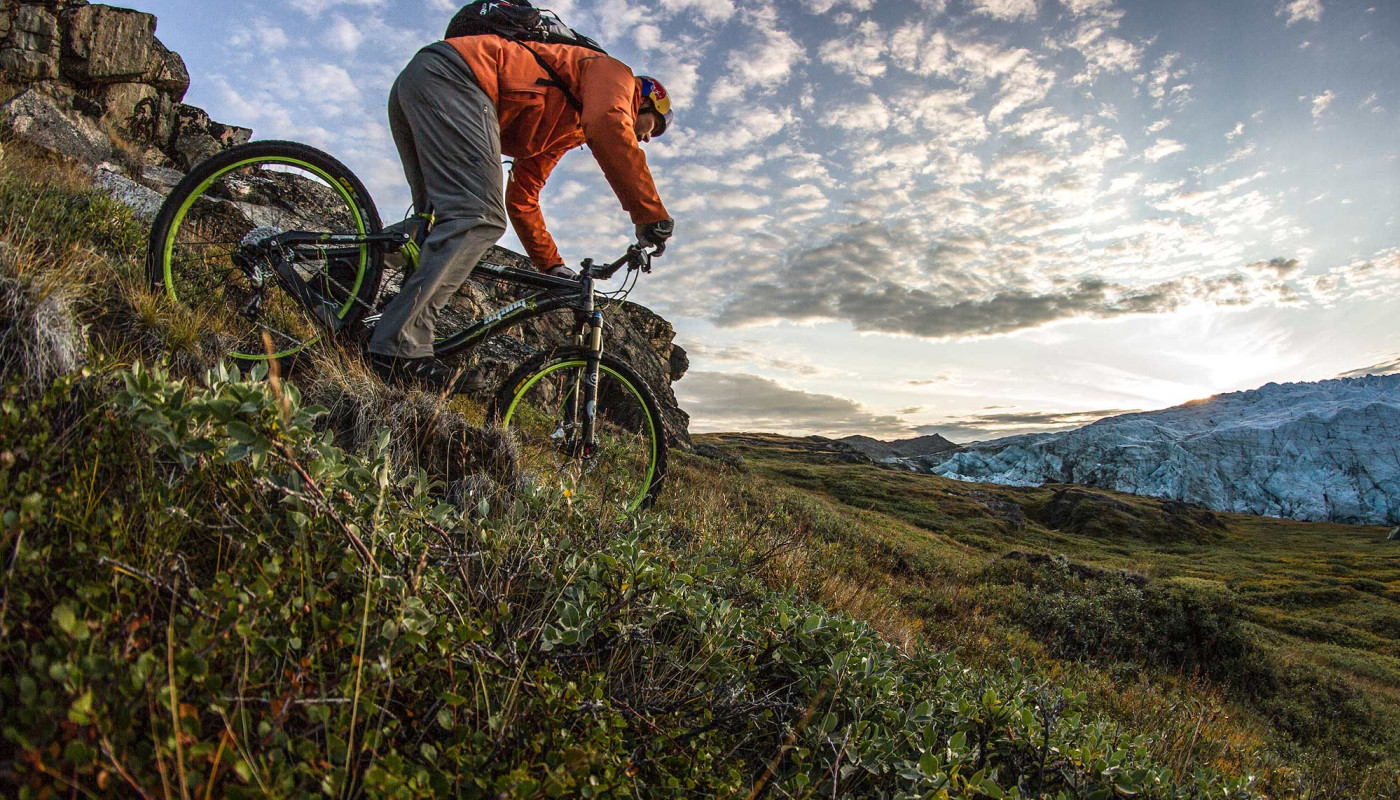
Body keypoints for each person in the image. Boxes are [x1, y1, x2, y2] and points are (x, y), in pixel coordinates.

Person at [366, 32, 675, 389]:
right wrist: (650, 214)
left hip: (427, 79)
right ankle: (399, 349)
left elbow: (523, 196)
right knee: (477, 215)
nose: (650, 138)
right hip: (457, 77)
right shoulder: (615, 73)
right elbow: (608, 122)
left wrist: (552, 265)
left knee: (439, 224)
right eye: (657, 127)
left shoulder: (566, 122)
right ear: (649, 101)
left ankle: (344, 282)